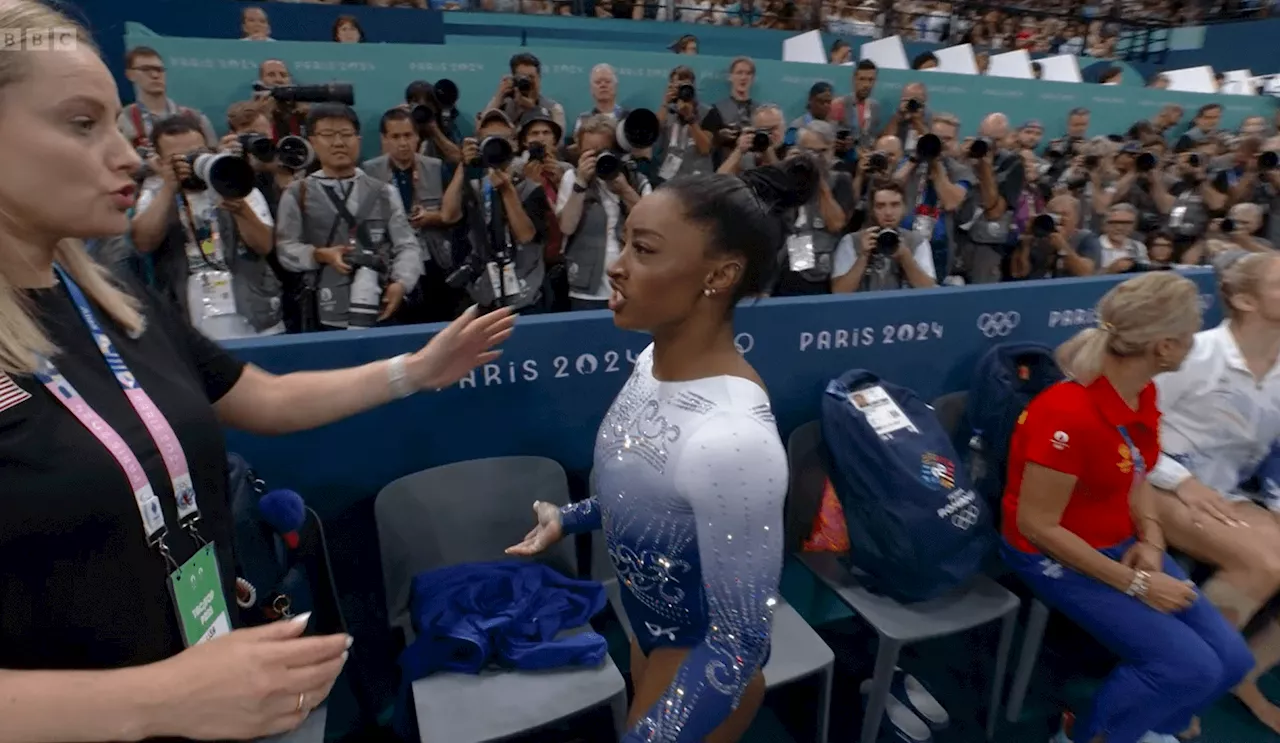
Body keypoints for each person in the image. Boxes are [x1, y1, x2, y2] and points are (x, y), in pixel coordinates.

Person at [0, 4, 515, 740]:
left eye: (117, 123)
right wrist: (156, 698)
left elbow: (259, 399)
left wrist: (415, 369)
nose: (126, 157)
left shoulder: (108, 297)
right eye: (82, 124)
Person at [507, 166, 802, 742]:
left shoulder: (734, 441)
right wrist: (568, 519)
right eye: (624, 243)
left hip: (701, 670)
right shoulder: (648, 363)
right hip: (649, 636)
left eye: (642, 249)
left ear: (719, 274)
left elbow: (741, 642)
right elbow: (653, 493)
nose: (616, 266)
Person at [1001, 271, 1253, 743]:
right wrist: (1138, 585)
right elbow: (1036, 526)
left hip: (1121, 541)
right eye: (1188, 334)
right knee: (1186, 666)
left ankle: (1151, 727)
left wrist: (1152, 540)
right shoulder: (1068, 414)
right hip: (1049, 554)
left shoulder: (1142, 391)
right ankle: (1086, 735)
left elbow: (1138, 469)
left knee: (1232, 660)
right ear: (1163, 347)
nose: (1194, 343)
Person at [1147, 251, 1280, 734]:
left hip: (1227, 491)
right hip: (1155, 481)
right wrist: (1179, 480)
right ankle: (1175, 680)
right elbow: (1127, 429)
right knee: (1264, 564)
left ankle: (1245, 673)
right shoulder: (1196, 354)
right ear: (1244, 300)